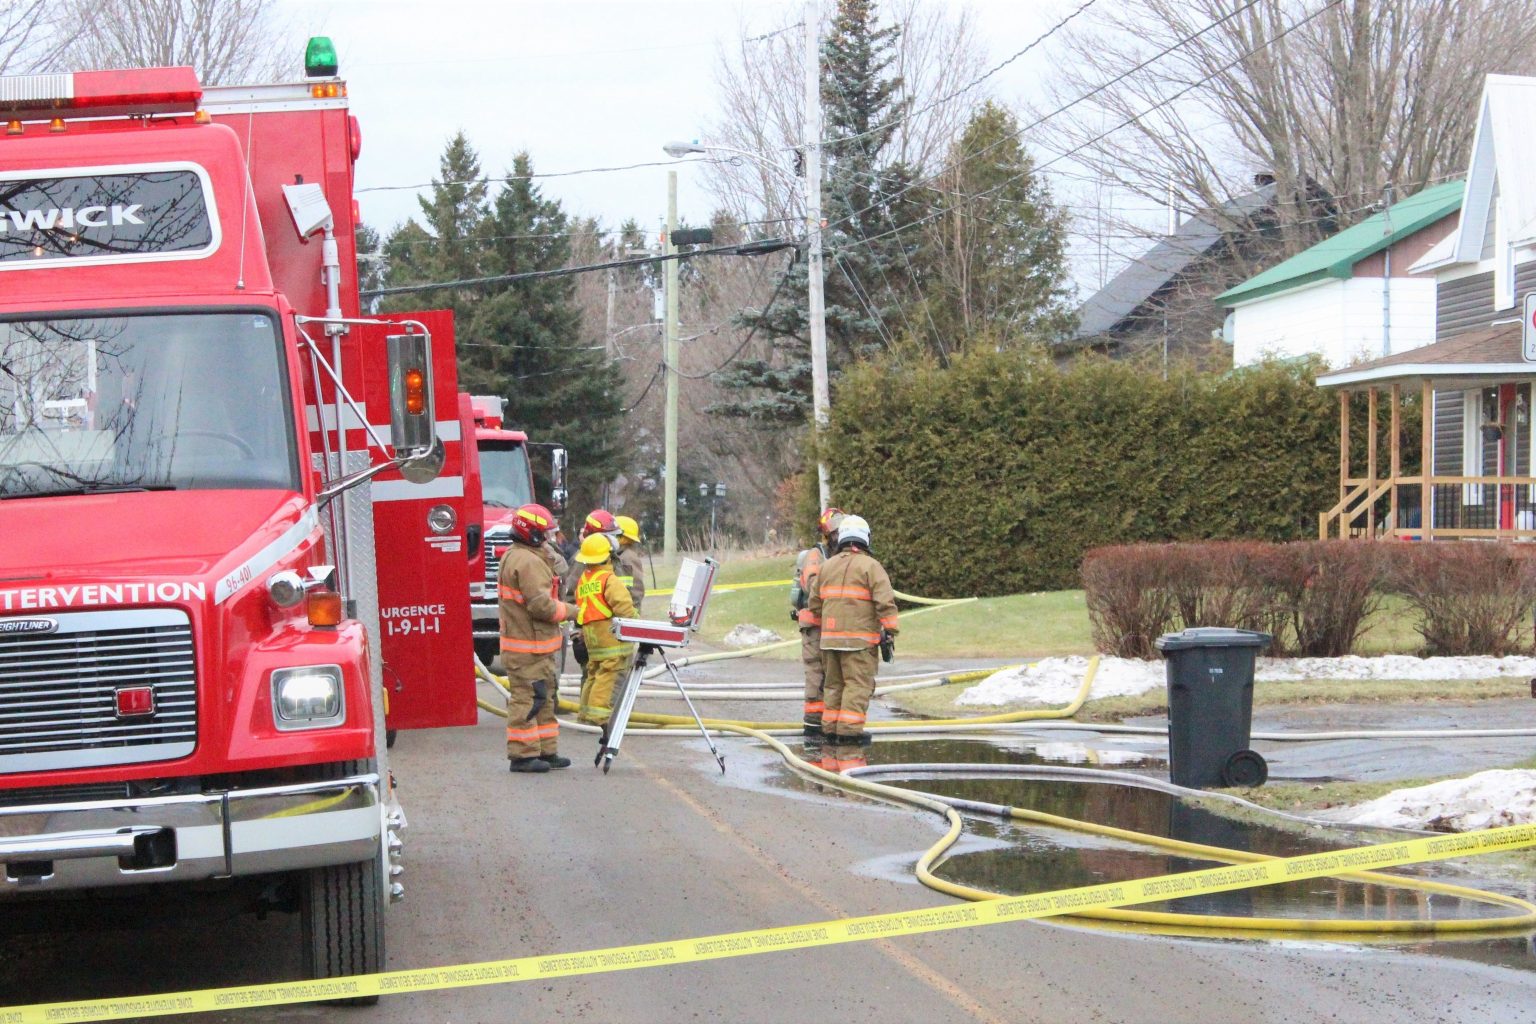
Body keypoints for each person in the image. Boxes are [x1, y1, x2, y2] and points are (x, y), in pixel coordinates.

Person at [807, 514, 898, 749]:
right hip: (859, 642)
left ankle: (830, 730)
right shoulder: (871, 566)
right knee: (857, 685)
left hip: (829, 642)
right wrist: (890, 629)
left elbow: (814, 604)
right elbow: (885, 602)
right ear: (865, 538)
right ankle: (849, 734)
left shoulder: (826, 566)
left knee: (833, 686)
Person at [498, 503, 575, 774]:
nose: (549, 539)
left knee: (544, 698)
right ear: (531, 534)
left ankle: (545, 750)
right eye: (545, 534)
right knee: (528, 699)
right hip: (527, 648)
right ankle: (522, 755)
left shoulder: (528, 555)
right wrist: (575, 611)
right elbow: (541, 605)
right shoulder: (527, 561)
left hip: (537, 647)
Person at [790, 507, 844, 735]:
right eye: (836, 533)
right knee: (816, 678)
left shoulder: (844, 557)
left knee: (835, 678)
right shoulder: (815, 556)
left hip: (835, 628)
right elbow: (813, 587)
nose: (840, 537)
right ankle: (813, 728)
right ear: (827, 535)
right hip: (814, 628)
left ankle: (831, 725)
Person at [573, 532, 636, 725]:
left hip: (592, 638)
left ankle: (585, 713)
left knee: (593, 674)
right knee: (607, 677)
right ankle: (599, 717)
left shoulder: (584, 580)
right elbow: (623, 606)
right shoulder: (609, 579)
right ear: (608, 556)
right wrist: (636, 623)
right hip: (611, 639)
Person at [612, 514, 647, 615]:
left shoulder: (627, 558)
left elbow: (636, 590)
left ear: (622, 537)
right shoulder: (618, 555)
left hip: (625, 616)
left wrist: (632, 617)